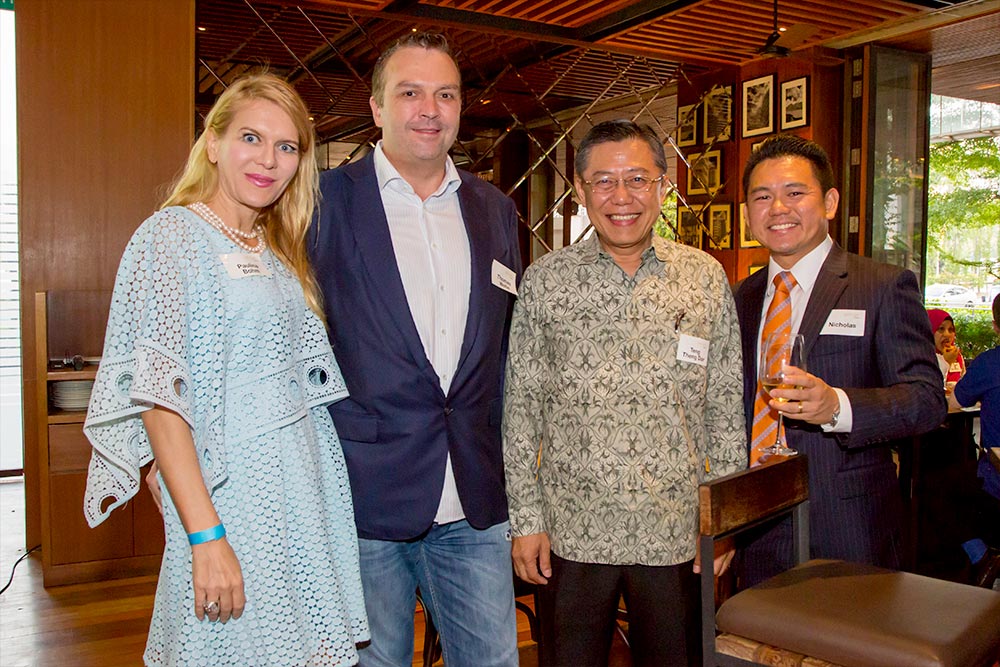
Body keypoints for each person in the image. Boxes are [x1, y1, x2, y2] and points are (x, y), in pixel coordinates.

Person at [83, 73, 368, 665]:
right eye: (250, 138)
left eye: (286, 146)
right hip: (232, 495)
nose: (269, 160)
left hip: (298, 489)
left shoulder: (275, 247)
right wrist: (206, 534)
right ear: (212, 143)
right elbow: (161, 400)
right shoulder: (171, 237)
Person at [309, 32, 521, 666]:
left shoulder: (494, 209)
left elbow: (503, 349)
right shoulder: (320, 202)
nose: (429, 110)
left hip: (475, 500)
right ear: (376, 107)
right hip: (365, 497)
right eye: (410, 93)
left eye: (445, 95)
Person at [503, 119, 745, 666]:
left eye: (637, 179)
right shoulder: (546, 281)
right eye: (604, 181)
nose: (622, 197)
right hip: (571, 529)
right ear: (581, 190)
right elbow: (521, 410)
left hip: (676, 531)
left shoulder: (704, 277)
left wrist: (723, 523)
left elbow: (725, 408)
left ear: (662, 186)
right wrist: (527, 520)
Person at [733, 134, 946, 586]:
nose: (778, 208)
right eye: (762, 197)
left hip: (849, 528)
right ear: (748, 213)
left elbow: (927, 400)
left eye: (795, 192)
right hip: (755, 528)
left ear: (829, 202)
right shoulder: (740, 298)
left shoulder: (881, 286)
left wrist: (838, 407)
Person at [954, 293, 1000, 588]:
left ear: (995, 326)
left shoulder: (989, 364)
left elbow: (955, 401)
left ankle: (985, 560)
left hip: (995, 484)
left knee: (943, 492)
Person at [927, 308, 966, 384]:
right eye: (941, 329)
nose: (947, 334)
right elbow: (932, 385)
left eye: (951, 329)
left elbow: (964, 385)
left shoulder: (956, 356)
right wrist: (947, 362)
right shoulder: (922, 357)